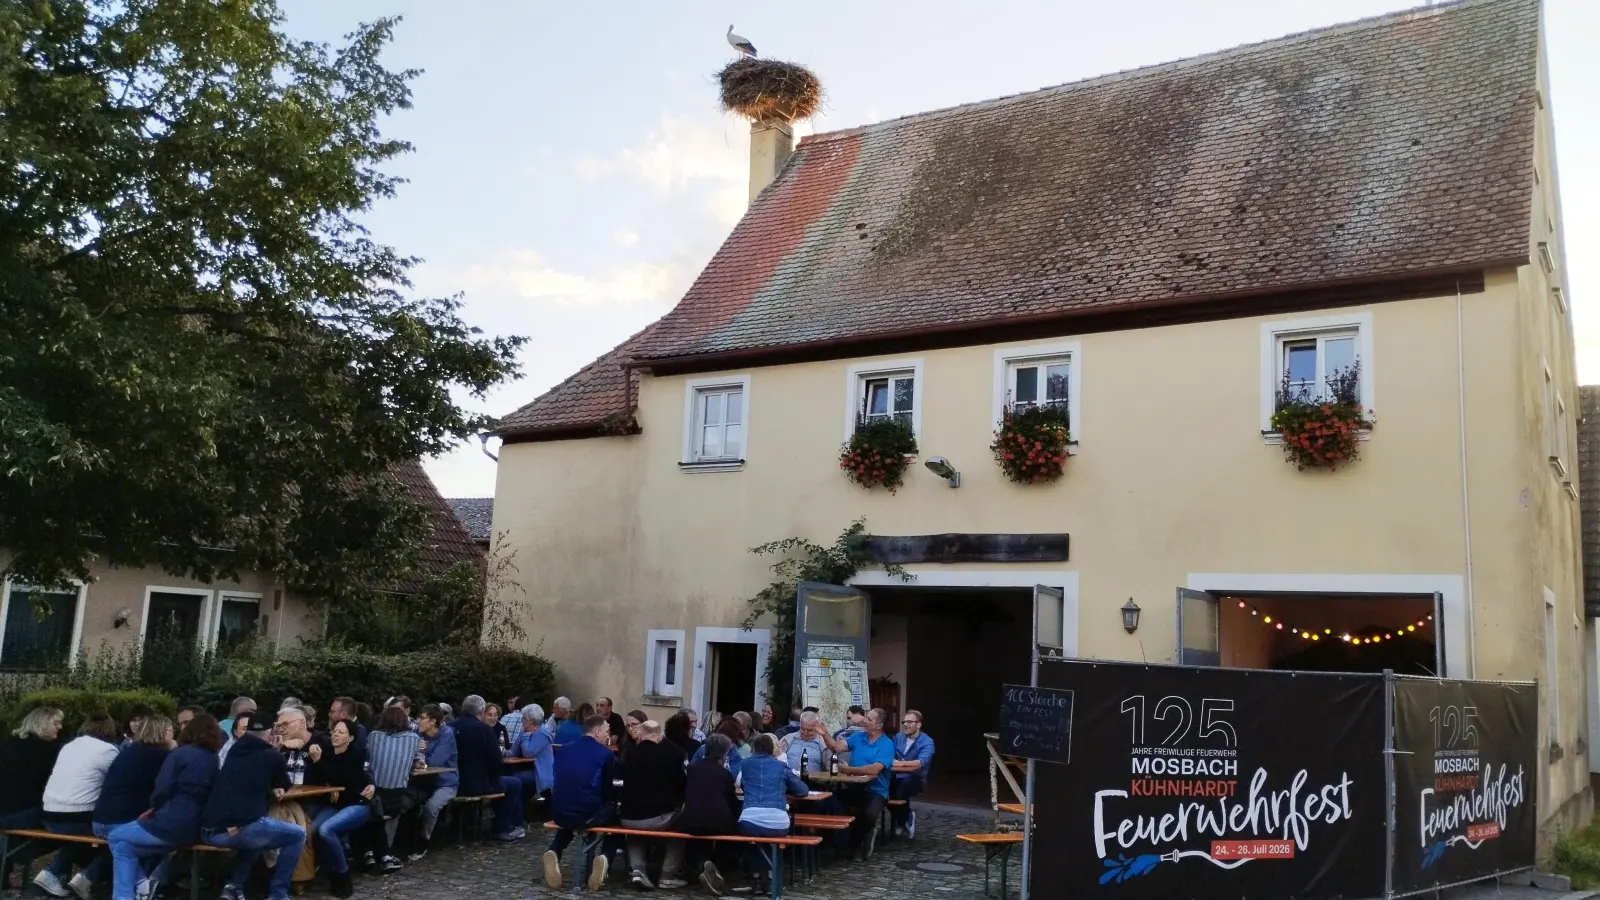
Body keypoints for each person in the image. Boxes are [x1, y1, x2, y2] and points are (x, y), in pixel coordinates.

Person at [107, 714, 223, 900]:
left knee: (114, 836)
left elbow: (162, 789)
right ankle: (130, 891)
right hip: (193, 827)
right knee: (124, 848)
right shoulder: (213, 759)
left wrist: (154, 808)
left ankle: (138, 886)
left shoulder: (179, 754)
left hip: (168, 821)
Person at [200, 717, 305, 900]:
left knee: (257, 839)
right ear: (270, 733)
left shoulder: (234, 750)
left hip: (209, 829)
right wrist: (277, 751)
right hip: (237, 829)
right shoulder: (272, 756)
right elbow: (284, 783)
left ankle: (232, 887)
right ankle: (278, 894)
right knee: (298, 834)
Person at [36, 712, 120, 898]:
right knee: (119, 836)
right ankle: (87, 878)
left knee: (83, 837)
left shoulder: (69, 746)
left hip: (49, 814)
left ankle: (53, 873)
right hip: (76, 818)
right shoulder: (109, 751)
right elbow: (118, 782)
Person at [308, 720, 387, 898]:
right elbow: (321, 778)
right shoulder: (327, 752)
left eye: (341, 732)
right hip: (334, 804)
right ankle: (332, 874)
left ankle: (344, 875)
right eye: (334, 731)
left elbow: (340, 777)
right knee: (312, 832)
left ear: (350, 738)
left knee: (326, 830)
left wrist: (322, 768)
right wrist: (330, 784)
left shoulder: (355, 755)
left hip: (356, 803)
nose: (335, 734)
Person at [94, 715, 174, 881]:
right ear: (161, 732)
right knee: (166, 840)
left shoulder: (130, 751)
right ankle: (145, 886)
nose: (174, 734)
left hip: (99, 820)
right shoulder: (159, 756)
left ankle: (90, 877)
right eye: (171, 730)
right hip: (120, 823)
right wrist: (175, 750)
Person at [541, 715, 617, 892]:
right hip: (588, 814)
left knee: (573, 813)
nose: (608, 735)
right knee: (617, 819)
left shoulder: (564, 750)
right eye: (606, 731)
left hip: (559, 812)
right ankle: (605, 858)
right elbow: (606, 792)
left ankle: (554, 850)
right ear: (597, 731)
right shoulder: (606, 755)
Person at [617, 720, 687, 890]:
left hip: (627, 818)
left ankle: (638, 871)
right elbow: (682, 786)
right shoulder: (673, 755)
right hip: (658, 817)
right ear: (660, 735)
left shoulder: (629, 754)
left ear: (640, 734)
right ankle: (667, 875)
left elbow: (619, 782)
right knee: (683, 826)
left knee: (635, 831)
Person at [736, 735, 808, 892]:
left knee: (753, 838)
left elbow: (742, 785)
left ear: (753, 749)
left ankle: (755, 877)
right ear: (772, 750)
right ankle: (770, 877)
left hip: (749, 821)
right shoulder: (781, 766)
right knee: (771, 837)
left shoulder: (746, 764)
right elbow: (802, 791)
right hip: (778, 822)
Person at [822, 708, 896, 859]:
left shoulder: (887, 744)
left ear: (879, 725)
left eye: (869, 719)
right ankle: (840, 841)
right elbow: (836, 747)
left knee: (869, 814)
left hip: (876, 791)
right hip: (854, 787)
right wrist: (824, 733)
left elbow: (875, 769)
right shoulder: (858, 737)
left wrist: (849, 769)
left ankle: (857, 842)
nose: (864, 721)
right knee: (830, 799)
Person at [452, 695, 524, 841]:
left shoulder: (451, 726)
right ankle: (502, 827)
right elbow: (497, 762)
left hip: (453, 781)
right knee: (515, 783)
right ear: (481, 711)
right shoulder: (484, 729)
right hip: (478, 784)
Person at [674, 734, 738, 895]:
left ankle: (698, 867)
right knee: (731, 833)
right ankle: (718, 868)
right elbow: (732, 800)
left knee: (697, 832)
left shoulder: (692, 769)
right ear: (724, 753)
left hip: (689, 820)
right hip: (718, 821)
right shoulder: (724, 774)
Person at [365, 706, 420, 864]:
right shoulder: (413, 739)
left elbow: (368, 758)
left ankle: (370, 851)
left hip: (375, 792)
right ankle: (389, 851)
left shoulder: (373, 736)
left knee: (374, 811)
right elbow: (415, 762)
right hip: (396, 794)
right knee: (416, 799)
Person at [0, 707, 64, 830]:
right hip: (25, 813)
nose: (60, 727)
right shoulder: (47, 750)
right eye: (55, 723)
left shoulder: (9, 744)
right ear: (41, 724)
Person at [409, 704, 458, 860]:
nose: (418, 721)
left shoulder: (446, 735)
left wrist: (420, 752)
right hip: (423, 781)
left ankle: (424, 840)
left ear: (433, 721)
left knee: (431, 807)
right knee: (408, 802)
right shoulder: (417, 733)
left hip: (446, 782)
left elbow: (435, 761)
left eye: (422, 718)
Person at [890, 710, 935, 838]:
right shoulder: (898, 738)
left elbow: (921, 762)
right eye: (904, 722)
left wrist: (900, 764)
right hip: (896, 775)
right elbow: (888, 755)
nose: (905, 725)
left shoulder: (927, 741)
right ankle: (905, 816)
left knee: (900, 791)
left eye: (910, 722)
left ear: (919, 725)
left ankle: (902, 821)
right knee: (882, 792)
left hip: (916, 778)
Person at [274, 706, 330, 788]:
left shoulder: (323, 742)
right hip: (285, 795)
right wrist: (277, 750)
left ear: (302, 723)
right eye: (279, 726)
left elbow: (333, 777)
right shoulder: (280, 744)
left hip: (313, 796)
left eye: (285, 724)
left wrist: (317, 761)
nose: (281, 729)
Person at [508, 705, 554, 802]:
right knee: (507, 775)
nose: (521, 721)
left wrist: (526, 736)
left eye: (524, 718)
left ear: (532, 720)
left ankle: (519, 811)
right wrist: (501, 752)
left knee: (514, 779)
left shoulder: (542, 733)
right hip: (526, 767)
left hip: (539, 773)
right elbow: (513, 751)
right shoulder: (524, 731)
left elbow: (528, 752)